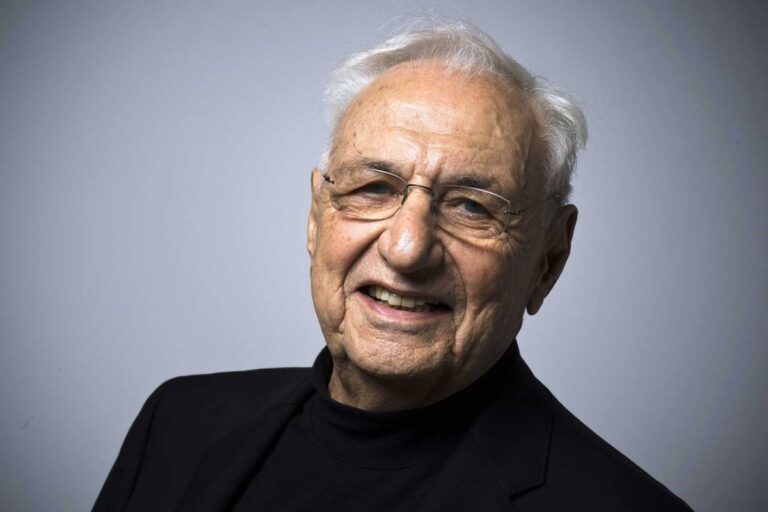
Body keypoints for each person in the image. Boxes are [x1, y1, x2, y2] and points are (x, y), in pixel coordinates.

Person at [94, 21, 692, 511]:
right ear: (316, 217)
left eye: (472, 206)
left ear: (548, 260)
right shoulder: (177, 423)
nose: (407, 249)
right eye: (374, 188)